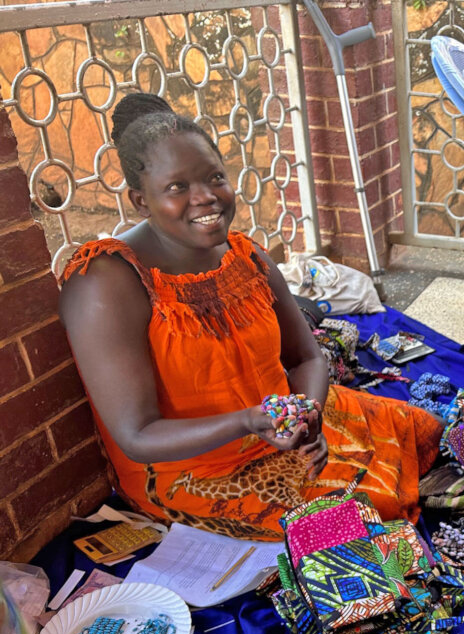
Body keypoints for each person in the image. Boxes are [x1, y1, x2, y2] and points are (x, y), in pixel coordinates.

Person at [58, 94, 441, 539]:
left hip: (278, 427)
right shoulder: (107, 282)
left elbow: (306, 359)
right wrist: (248, 423)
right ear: (141, 201)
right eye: (177, 188)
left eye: (214, 177)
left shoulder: (246, 256)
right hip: (194, 470)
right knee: (368, 513)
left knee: (421, 430)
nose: (205, 198)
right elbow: (137, 435)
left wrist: (308, 415)